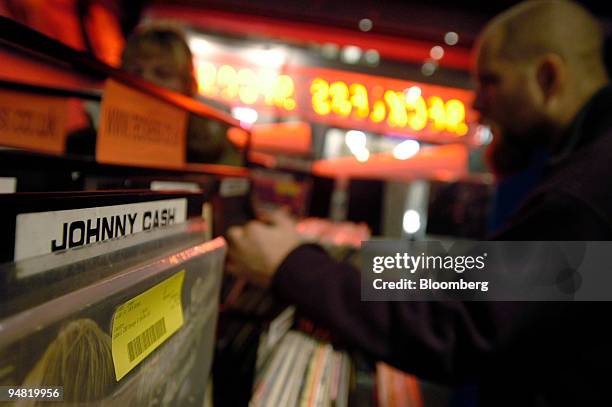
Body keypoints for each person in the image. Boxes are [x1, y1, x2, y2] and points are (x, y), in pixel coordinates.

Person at [226, 1, 612, 405]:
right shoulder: (591, 164)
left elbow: (462, 327)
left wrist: (293, 266)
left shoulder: (587, 191)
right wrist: (349, 259)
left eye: (490, 82)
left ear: (548, 78)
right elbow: (489, 276)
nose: (477, 104)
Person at [66, 26, 241, 165]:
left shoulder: (213, 149)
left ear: (187, 85)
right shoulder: (84, 144)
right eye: (135, 72)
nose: (146, 81)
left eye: (162, 73)